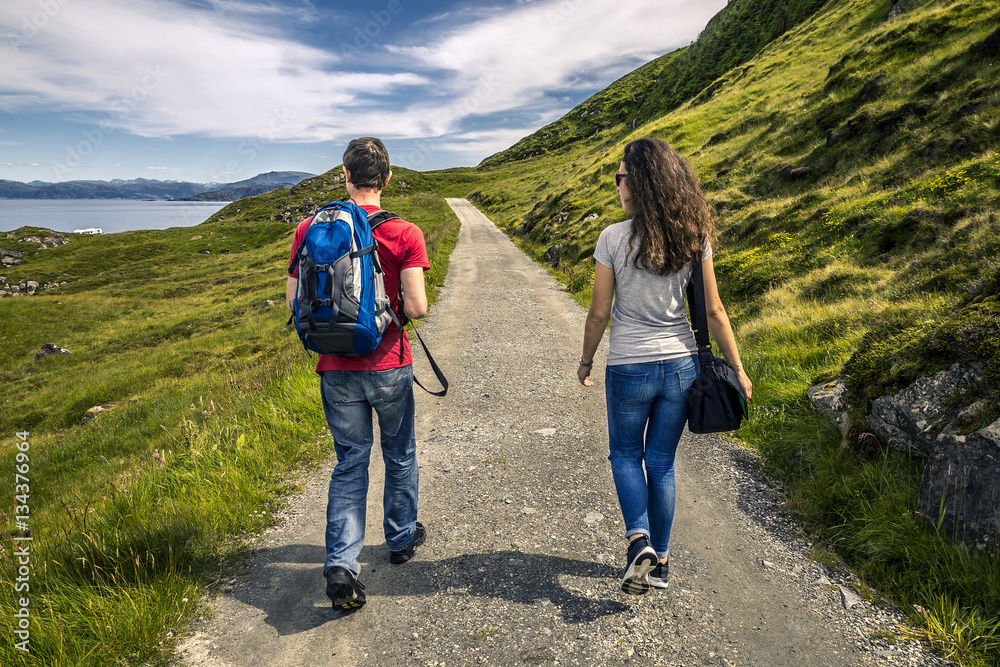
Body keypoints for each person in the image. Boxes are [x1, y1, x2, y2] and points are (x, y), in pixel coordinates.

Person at [577, 137, 753, 595]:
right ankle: (664, 562)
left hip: (630, 365)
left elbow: (598, 312)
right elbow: (714, 311)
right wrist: (737, 368)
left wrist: (586, 359)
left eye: (620, 176)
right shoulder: (694, 236)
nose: (617, 184)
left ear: (636, 184)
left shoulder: (613, 238)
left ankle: (639, 540)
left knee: (624, 454)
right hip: (681, 366)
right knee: (661, 463)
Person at [286, 137, 430, 611]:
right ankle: (401, 539)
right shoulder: (405, 232)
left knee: (350, 461)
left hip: (334, 369)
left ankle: (342, 563)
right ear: (386, 178)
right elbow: (417, 306)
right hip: (389, 363)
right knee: (399, 453)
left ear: (344, 175)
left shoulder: (309, 229)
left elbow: (294, 304)